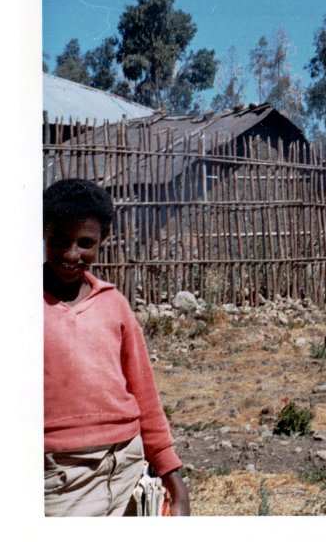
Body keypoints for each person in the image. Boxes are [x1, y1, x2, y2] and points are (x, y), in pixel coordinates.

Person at [43, 178, 190, 516]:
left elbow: (144, 394)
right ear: (43, 233)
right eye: (60, 241)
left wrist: (171, 473)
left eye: (85, 243)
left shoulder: (114, 304)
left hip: (127, 471)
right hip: (61, 481)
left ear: (104, 239)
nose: (71, 254)